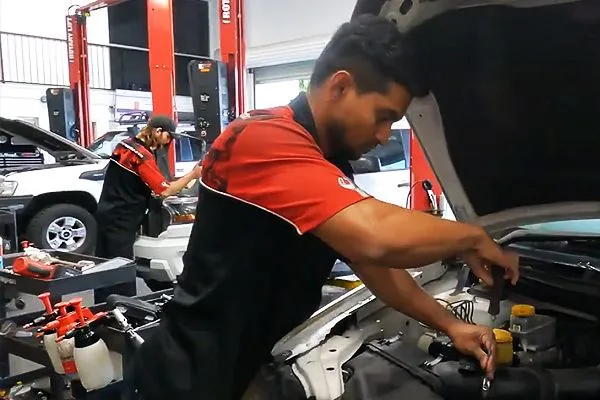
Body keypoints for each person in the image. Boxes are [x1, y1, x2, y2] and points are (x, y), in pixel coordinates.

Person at [129, 15, 519, 400]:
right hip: (186, 375)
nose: (384, 137)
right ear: (341, 86)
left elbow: (376, 266)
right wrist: (470, 236)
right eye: (383, 117)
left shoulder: (325, 159)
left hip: (237, 362)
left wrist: (451, 326)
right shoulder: (263, 136)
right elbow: (375, 237)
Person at [95, 115, 202, 260]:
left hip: (106, 212)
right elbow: (165, 190)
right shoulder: (142, 156)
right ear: (158, 131)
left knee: (102, 263)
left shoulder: (124, 145)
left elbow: (142, 180)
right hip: (122, 220)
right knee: (119, 267)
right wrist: (193, 175)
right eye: (168, 137)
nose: (168, 142)